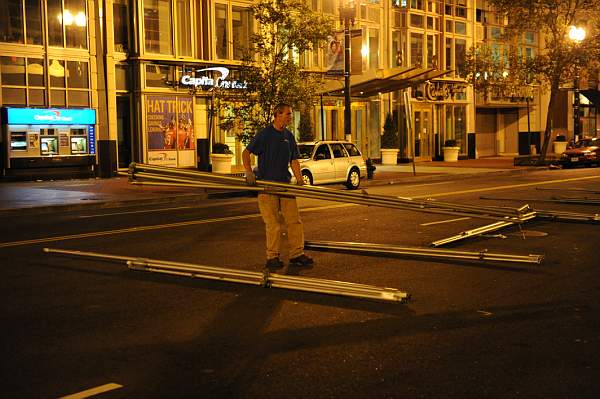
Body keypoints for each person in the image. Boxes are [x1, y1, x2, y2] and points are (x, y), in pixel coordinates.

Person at [242, 103, 314, 271]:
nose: (290, 117)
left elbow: (294, 159)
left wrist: (299, 178)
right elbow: (246, 153)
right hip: (267, 187)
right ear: (278, 114)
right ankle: (272, 257)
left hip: (285, 186)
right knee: (273, 224)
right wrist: (248, 172)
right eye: (288, 114)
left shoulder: (289, 136)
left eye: (290, 114)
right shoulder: (265, 134)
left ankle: (297, 254)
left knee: (294, 221)